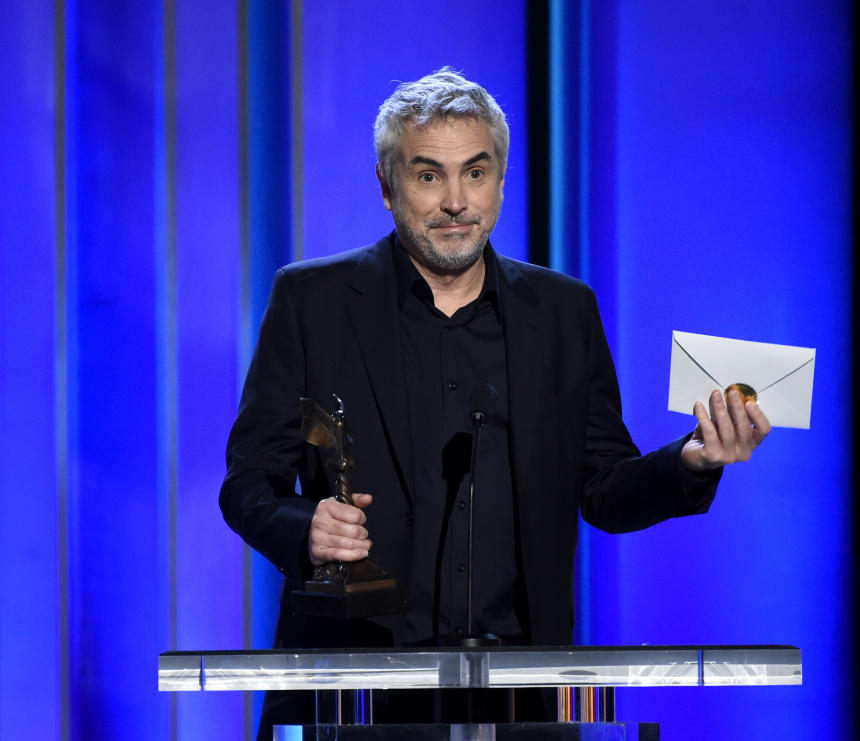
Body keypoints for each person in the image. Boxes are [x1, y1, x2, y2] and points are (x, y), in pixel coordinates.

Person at [220, 67, 770, 734]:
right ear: (388, 188)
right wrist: (305, 527)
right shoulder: (313, 301)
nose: (456, 200)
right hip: (355, 694)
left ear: (502, 181)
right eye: (429, 176)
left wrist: (692, 460)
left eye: (475, 173)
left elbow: (603, 487)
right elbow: (249, 483)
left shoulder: (564, 312)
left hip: (520, 700)